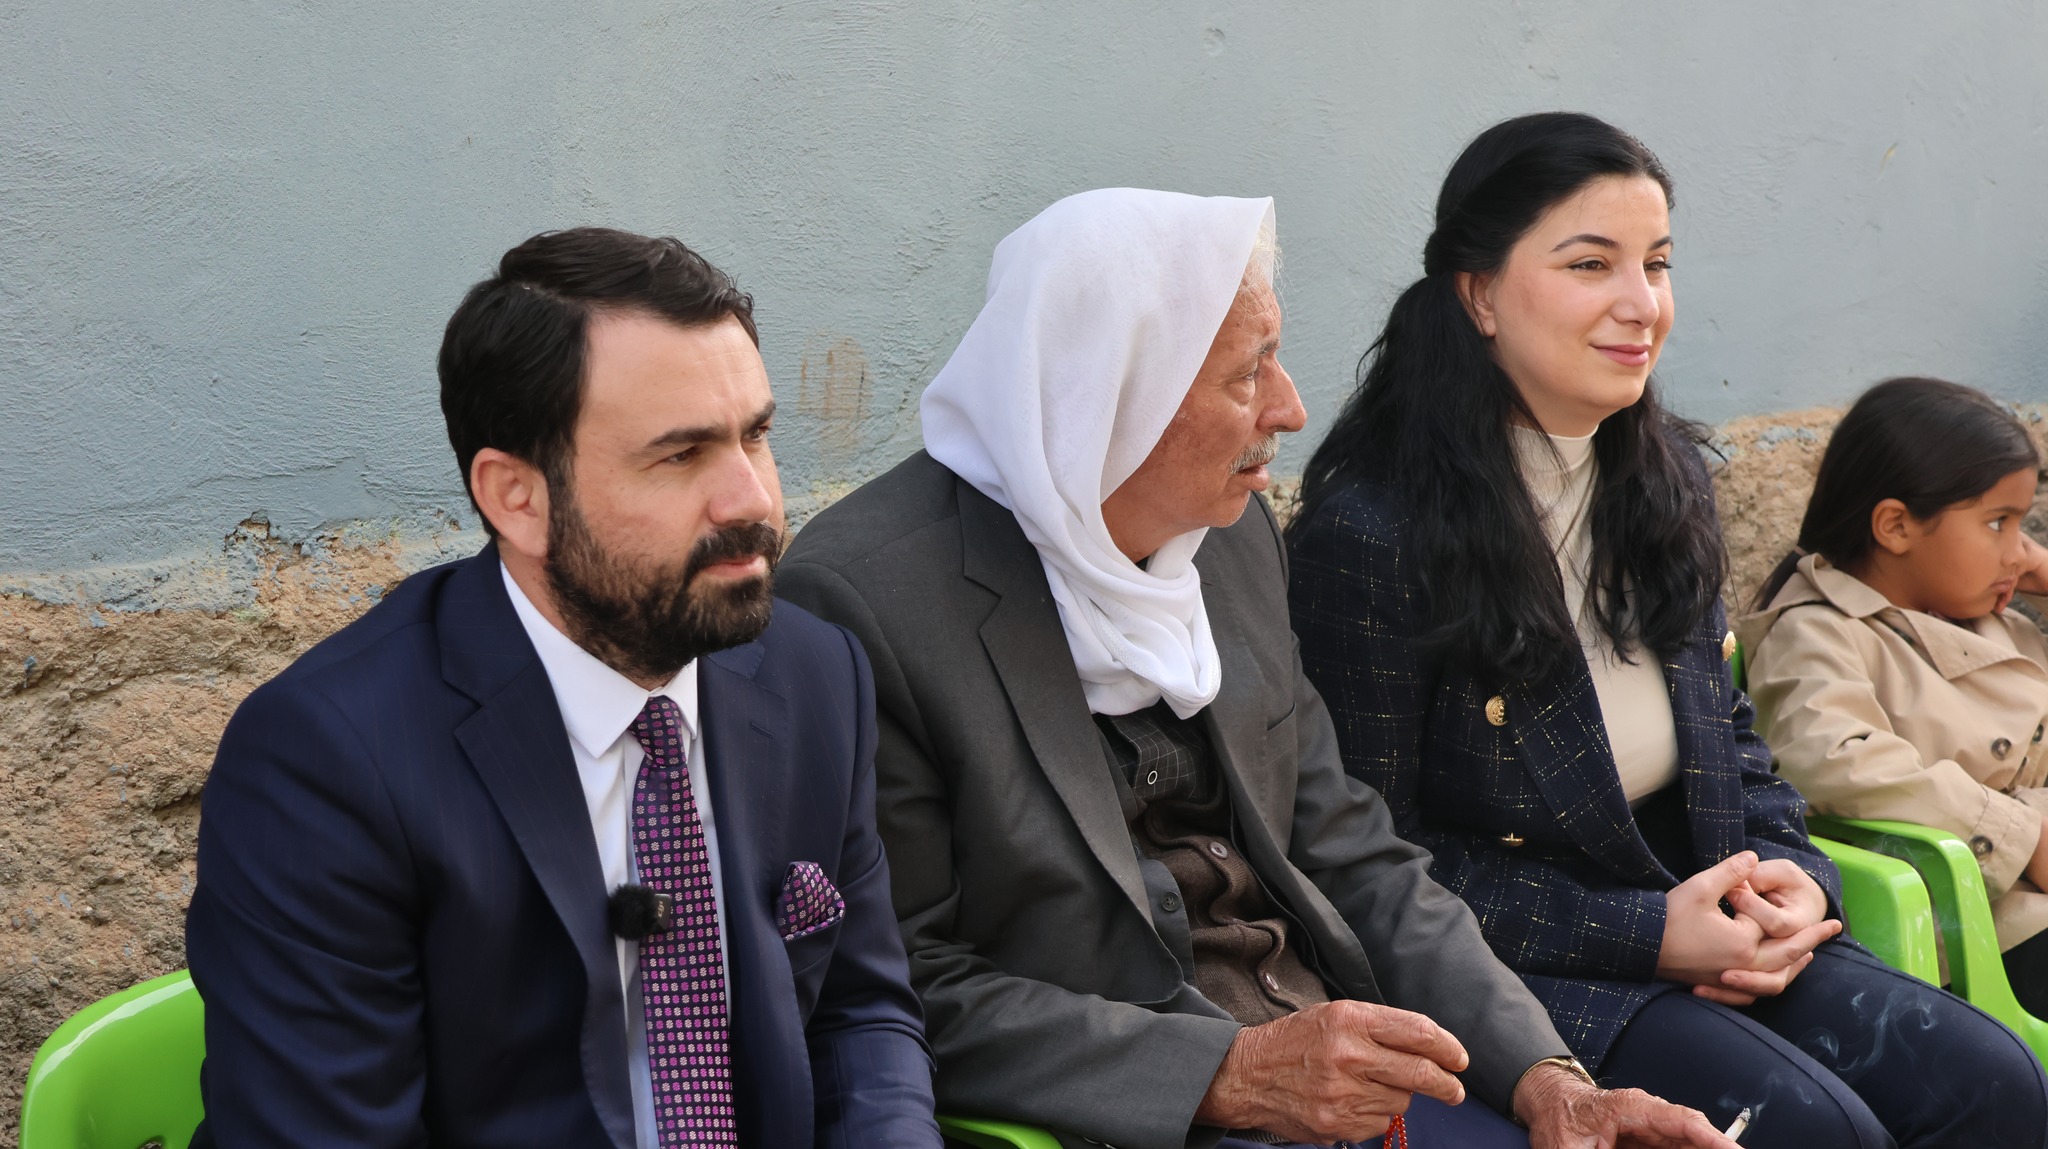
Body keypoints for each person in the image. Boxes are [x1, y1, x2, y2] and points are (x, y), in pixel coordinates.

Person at [778, 188, 1733, 1149]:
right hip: (1134, 1115)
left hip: (1337, 1075)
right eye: (1248, 373)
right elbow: (905, 980)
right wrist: (1226, 1072)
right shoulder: (870, 601)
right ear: (1115, 393)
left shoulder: (1228, 545)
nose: (1290, 407)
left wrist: (1548, 1077)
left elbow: (1349, 847)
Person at [1286, 112, 2048, 1149]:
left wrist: (1793, 875)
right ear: (1477, 294)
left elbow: (1731, 739)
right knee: (1818, 1132)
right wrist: (1649, 934)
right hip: (1527, 970)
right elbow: (1371, 858)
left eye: (1655, 263)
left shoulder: (1662, 477)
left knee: (1997, 1085)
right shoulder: (1372, 536)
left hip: (1712, 910)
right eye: (1589, 263)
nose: (1641, 304)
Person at [185, 228, 941, 1148]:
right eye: (680, 455)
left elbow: (861, 1017)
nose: (752, 500)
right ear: (518, 497)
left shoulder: (813, 674)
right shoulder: (327, 761)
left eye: (756, 435)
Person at [1741, 376, 2048, 1014]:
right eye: (1998, 523)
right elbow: (1836, 759)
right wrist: (2023, 835)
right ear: (1896, 526)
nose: (2020, 552)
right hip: (1986, 936)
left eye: (2023, 524)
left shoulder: (1995, 619)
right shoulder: (1816, 630)